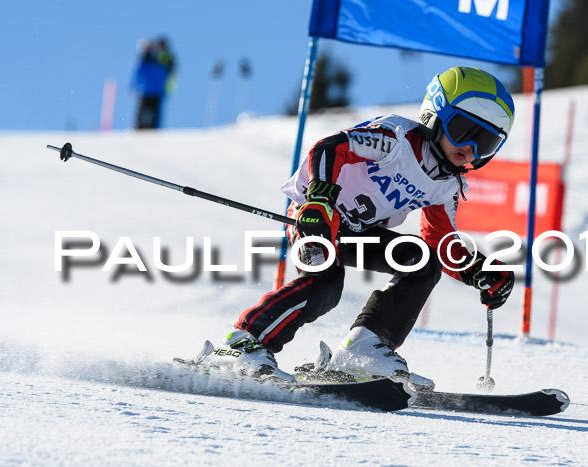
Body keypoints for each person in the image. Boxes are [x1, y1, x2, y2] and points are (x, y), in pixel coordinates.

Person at [196, 66, 516, 385]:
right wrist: (320, 198)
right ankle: (241, 344)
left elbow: (439, 239)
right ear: (435, 114)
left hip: (359, 232)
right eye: (463, 131)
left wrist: (474, 269)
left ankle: (363, 352)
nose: (470, 150)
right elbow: (331, 148)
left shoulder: (446, 184)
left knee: (422, 261)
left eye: (485, 142)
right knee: (326, 284)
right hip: (319, 216)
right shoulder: (396, 140)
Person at [131, 38, 176, 129]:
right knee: (144, 110)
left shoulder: (163, 57)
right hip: (147, 89)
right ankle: (140, 127)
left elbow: (171, 68)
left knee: (153, 110)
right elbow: (139, 70)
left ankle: (151, 128)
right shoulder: (147, 57)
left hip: (155, 89)